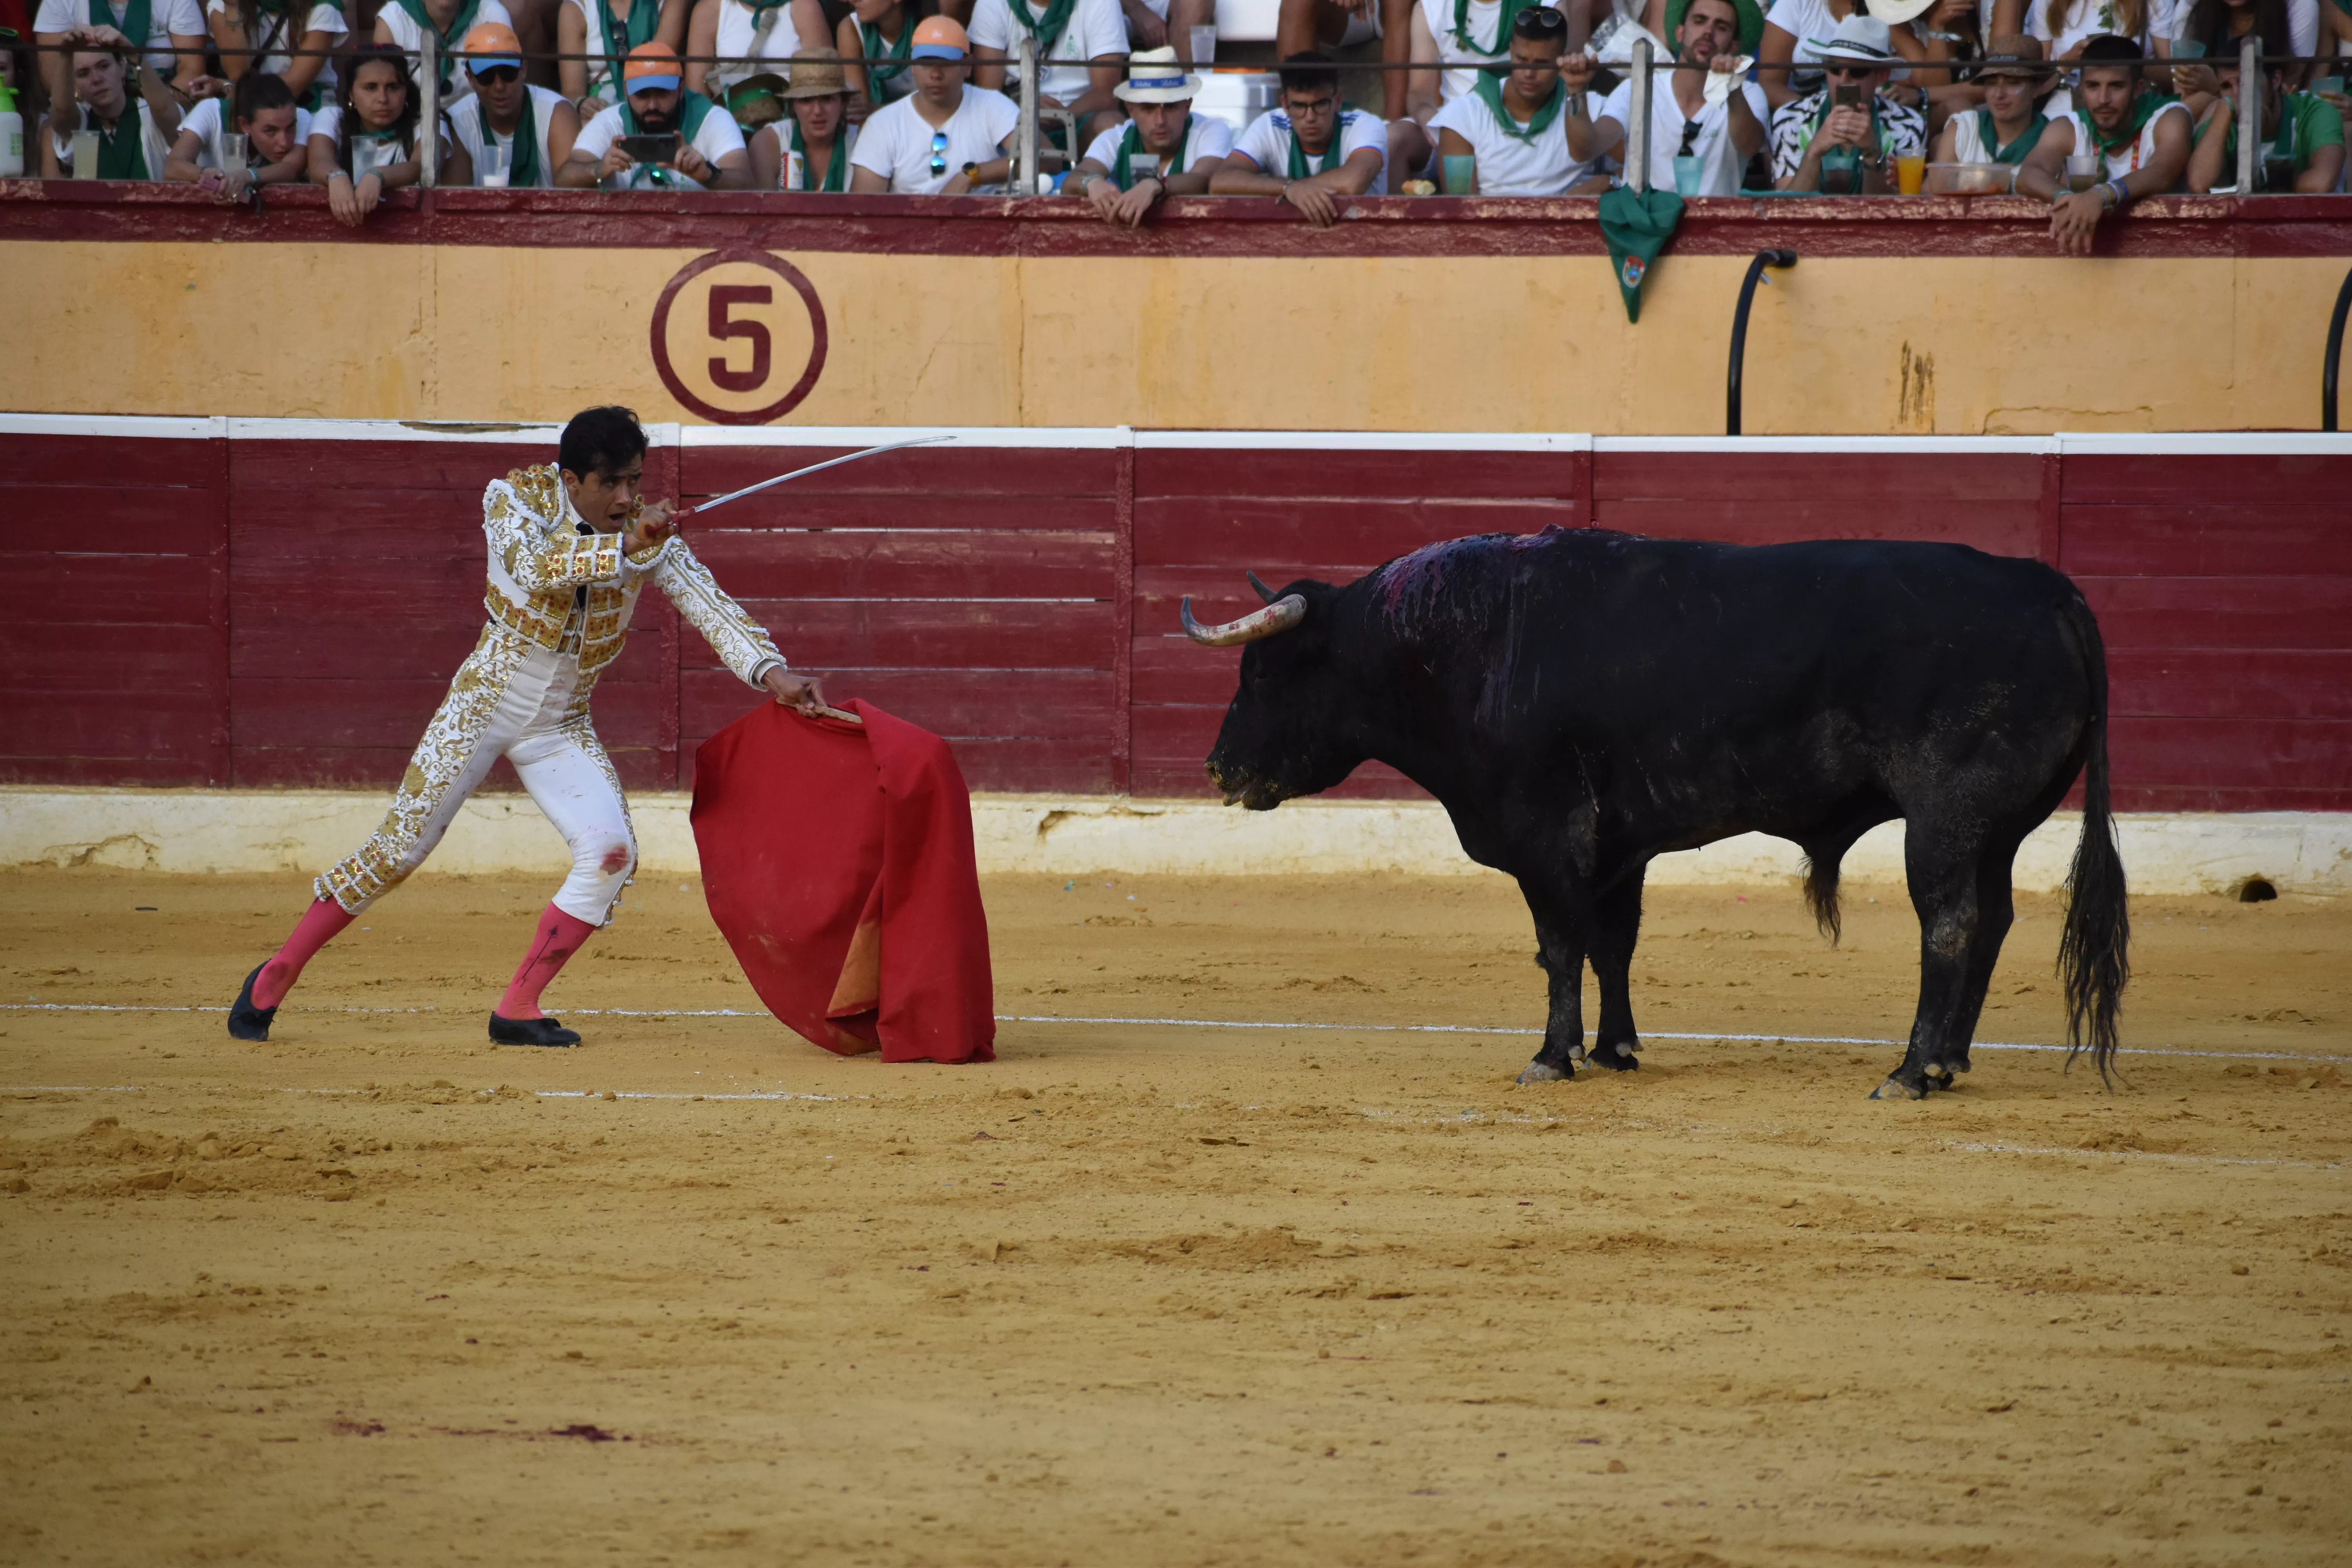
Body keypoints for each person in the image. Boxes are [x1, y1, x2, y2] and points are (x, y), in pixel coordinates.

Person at [225, 408, 826, 1052]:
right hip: (484, 703)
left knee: (611, 853)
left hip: (561, 722)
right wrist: (626, 546)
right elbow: (535, 567)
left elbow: (708, 603)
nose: (625, 497)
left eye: (634, 480)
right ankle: (280, 969)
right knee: (399, 850)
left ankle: (519, 1005)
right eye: (611, 483)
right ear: (571, 481)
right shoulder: (514, 499)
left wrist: (774, 674)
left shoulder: (643, 532)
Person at [1565, 0, 1767, 194]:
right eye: (1699, 21)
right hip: (1644, 218)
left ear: (1733, 47)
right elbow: (1585, 150)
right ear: (1680, 33)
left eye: (1721, 27)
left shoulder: (1748, 93)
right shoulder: (1637, 88)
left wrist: (1732, 88)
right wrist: (1575, 91)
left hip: (1716, 219)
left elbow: (1750, 147)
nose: (1708, 31)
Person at [2016, 33, 2189, 253]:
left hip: (2164, 253)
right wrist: (2067, 199)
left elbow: (2163, 172)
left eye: (2116, 86)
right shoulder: (2069, 127)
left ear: (2138, 89)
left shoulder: (2170, 117)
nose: (2103, 99)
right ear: (2081, 89)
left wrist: (2101, 195)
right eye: (2093, 86)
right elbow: (2029, 174)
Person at [1392, 0, 1564, 185]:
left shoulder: (1549, 10)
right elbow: (1419, 93)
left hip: (1518, 120)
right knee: (1393, 139)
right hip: (1454, 123)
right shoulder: (1430, 7)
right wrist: (1432, 122)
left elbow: (1563, 79)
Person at [1209, 50, 1387, 226]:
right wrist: (1288, 188)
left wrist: (1296, 189)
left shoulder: (1364, 124)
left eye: (1321, 104)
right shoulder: (1270, 125)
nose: (1310, 117)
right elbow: (1220, 181)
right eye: (1299, 106)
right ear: (1285, 104)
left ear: (1338, 101)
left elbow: (1353, 183)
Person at [847, 15, 1021, 190]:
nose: (936, 74)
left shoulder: (992, 105)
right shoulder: (882, 124)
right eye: (926, 63)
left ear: (968, 65)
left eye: (946, 64)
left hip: (980, 208)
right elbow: (865, 201)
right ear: (913, 65)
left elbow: (1034, 159)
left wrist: (971, 176)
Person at [307, 40, 466, 219]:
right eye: (371, 88)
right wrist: (335, 177)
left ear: (406, 91)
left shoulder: (428, 122)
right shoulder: (333, 117)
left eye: (393, 87)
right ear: (351, 93)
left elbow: (420, 166)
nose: (383, 99)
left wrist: (377, 175)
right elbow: (319, 161)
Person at [561, 38, 753, 186]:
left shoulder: (712, 119)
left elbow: (746, 184)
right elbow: (564, 178)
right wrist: (598, 169)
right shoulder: (610, 122)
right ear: (626, 92)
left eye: (662, 93)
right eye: (642, 95)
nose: (653, 105)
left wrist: (708, 174)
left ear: (681, 90)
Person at [1071, 44, 1227, 220]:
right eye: (1148, 109)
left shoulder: (1211, 131)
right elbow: (1074, 178)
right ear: (1131, 110)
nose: (1160, 121)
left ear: (1187, 106)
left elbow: (1204, 180)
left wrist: (1156, 184)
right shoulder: (1115, 138)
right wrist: (1091, 183)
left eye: (1170, 107)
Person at [1770, 13, 1925, 190]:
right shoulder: (1790, 119)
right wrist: (1814, 151)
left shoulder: (1908, 125)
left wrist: (1872, 154)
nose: (1843, 80)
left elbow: (1893, 206)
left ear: (1882, 76)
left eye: (1857, 71)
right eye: (1835, 69)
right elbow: (1789, 204)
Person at [969, 0, 1126, 152]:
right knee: (982, 125)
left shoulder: (1101, 3)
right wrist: (1026, 111)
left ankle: (1089, 172)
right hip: (1015, 120)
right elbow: (988, 95)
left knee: (1111, 123)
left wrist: (1061, 116)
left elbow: (1106, 96)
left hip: (1080, 119)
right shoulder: (993, 4)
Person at [2184, 45, 2343, 189]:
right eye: (2226, 86)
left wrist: (2271, 187)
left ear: (2275, 80)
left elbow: (2322, 182)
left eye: (2245, 82)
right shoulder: (2224, 119)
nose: (2237, 94)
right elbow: (2199, 183)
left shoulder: (2314, 111)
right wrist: (2225, 111)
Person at [33, 0, 203, 126]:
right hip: (88, 107)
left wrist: (154, 107)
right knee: (55, 129)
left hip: (157, 103)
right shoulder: (59, 3)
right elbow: (54, 79)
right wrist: (92, 106)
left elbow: (192, 68)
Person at [39, 26, 180, 175]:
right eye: (83, 74)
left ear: (122, 67)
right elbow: (62, 111)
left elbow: (164, 109)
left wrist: (131, 52)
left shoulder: (150, 116)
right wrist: (65, 55)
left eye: (104, 67)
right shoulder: (81, 123)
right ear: (75, 86)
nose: (96, 79)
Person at [447, 18, 575, 181]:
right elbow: (455, 196)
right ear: (470, 78)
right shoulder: (458, 122)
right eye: (486, 77)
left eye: (508, 74)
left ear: (524, 70)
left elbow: (573, 193)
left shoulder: (556, 113)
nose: (499, 86)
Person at [162, 65, 310, 192]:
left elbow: (291, 169)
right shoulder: (211, 111)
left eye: (290, 128)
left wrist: (246, 176)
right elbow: (173, 167)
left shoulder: (301, 117)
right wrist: (205, 174)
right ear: (245, 124)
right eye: (271, 131)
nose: (284, 143)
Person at [1927, 31, 2050, 180]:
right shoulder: (1963, 128)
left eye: (2013, 83)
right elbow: (1936, 189)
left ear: (2037, 88)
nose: (1999, 94)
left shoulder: (2053, 140)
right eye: (1991, 84)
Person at [750, 43, 857, 186]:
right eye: (806, 100)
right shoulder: (768, 143)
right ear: (793, 105)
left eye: (827, 98)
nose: (818, 111)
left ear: (844, 102)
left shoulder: (862, 143)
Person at [557, 0, 684, 120]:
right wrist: (581, 104)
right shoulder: (575, 9)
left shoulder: (670, 3)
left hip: (652, 95)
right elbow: (572, 93)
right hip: (600, 107)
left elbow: (658, 67)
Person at [373, 0, 517, 103]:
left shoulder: (491, 13)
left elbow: (503, 84)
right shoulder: (393, 20)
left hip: (475, 118)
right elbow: (385, 93)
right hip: (413, 120)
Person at [206, 0, 343, 107]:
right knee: (207, 110)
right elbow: (238, 74)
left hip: (309, 106)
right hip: (247, 107)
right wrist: (232, 8)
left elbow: (293, 87)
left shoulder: (323, 6)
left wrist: (225, 86)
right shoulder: (223, 5)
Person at [682, 0, 826, 101]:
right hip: (730, 124)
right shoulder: (709, 10)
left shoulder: (806, 8)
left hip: (791, 121)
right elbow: (697, 98)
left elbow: (824, 86)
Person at [837, 0, 916, 115]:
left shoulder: (931, 27)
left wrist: (876, 109)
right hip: (877, 123)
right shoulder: (851, 27)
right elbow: (859, 111)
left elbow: (938, 106)